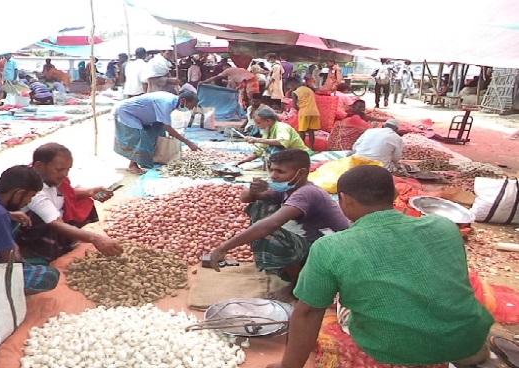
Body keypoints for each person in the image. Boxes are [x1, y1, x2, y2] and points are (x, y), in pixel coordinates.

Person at [266, 166, 493, 368]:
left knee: (338, 303)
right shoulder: (444, 227)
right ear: (394, 195)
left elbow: (307, 314)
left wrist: (289, 365)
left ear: (344, 199)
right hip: (468, 339)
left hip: (394, 351)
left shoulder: (331, 247)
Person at [210, 149, 350, 301]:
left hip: (330, 250)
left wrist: (224, 247)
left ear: (301, 173)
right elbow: (245, 198)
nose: (273, 176)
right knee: (261, 204)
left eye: (280, 171)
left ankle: (297, 285)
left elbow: (270, 225)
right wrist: (251, 190)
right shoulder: (288, 188)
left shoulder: (307, 193)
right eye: (271, 170)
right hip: (313, 239)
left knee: (269, 235)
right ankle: (291, 266)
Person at [16, 143, 124, 262]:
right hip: (32, 232)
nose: (65, 174)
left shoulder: (48, 176)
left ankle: (68, 239)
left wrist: (90, 191)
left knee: (85, 201)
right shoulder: (33, 190)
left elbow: (66, 194)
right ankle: (42, 252)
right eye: (60, 170)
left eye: (68, 169)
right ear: (40, 166)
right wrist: (95, 239)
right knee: (45, 221)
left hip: (55, 215)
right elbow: (55, 223)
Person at [114, 91, 201, 174]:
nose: (190, 109)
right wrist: (188, 142)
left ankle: (155, 156)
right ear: (183, 101)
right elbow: (168, 128)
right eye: (191, 106)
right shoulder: (166, 103)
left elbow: (163, 124)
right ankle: (132, 165)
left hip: (140, 116)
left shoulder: (173, 101)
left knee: (158, 130)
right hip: (127, 112)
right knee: (141, 137)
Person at [236, 109, 309, 166]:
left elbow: (281, 142)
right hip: (289, 155)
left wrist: (257, 140)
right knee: (267, 151)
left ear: (268, 121)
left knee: (272, 149)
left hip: (299, 156)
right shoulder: (267, 131)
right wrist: (242, 161)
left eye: (259, 123)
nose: (257, 126)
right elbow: (260, 150)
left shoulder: (282, 127)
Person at [289, 78, 321, 150]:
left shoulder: (295, 92)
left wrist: (299, 110)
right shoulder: (309, 90)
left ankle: (301, 148)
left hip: (304, 113)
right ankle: (311, 148)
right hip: (314, 112)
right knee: (311, 132)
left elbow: (294, 106)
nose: (290, 89)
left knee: (302, 131)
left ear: (292, 85)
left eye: (290, 87)